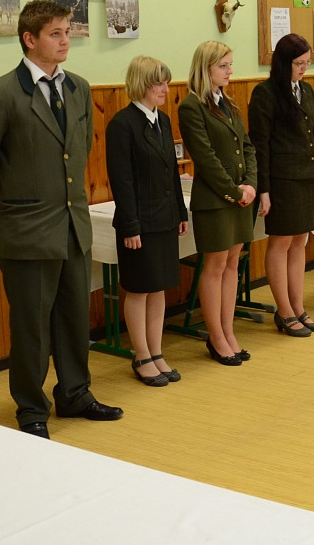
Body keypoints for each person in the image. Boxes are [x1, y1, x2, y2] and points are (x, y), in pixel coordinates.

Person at [0, 0, 122, 439]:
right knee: (31, 327)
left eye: (67, 31)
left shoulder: (78, 88)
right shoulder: (1, 94)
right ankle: (32, 408)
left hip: (73, 226)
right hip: (28, 230)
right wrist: (16, 203)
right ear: (29, 39)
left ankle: (75, 393)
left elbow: (79, 150)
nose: (66, 40)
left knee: (74, 319)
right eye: (56, 33)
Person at [105, 55, 188, 386]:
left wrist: (180, 212)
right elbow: (121, 180)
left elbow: (172, 172)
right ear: (141, 85)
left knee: (159, 288)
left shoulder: (163, 120)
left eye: (166, 82)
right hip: (138, 222)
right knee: (140, 289)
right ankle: (141, 355)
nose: (165, 89)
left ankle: (156, 351)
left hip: (165, 217)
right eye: (158, 83)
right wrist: (130, 226)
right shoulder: (122, 124)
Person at [248, 34, 314, 338]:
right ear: (284, 63)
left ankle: (298, 307)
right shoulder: (266, 93)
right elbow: (260, 145)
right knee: (281, 242)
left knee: (301, 240)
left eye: (307, 62)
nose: (304, 68)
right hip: (282, 180)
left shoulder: (306, 90)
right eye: (299, 63)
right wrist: (263, 189)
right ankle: (283, 310)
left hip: (308, 175)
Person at [178, 41, 258, 365]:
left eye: (230, 65)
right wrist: (234, 192)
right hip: (215, 200)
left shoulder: (229, 103)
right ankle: (216, 337)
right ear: (206, 68)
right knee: (214, 266)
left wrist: (250, 184)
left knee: (232, 264)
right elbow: (206, 159)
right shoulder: (191, 106)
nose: (230, 71)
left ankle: (228, 331)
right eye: (223, 66)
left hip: (240, 197)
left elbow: (247, 147)